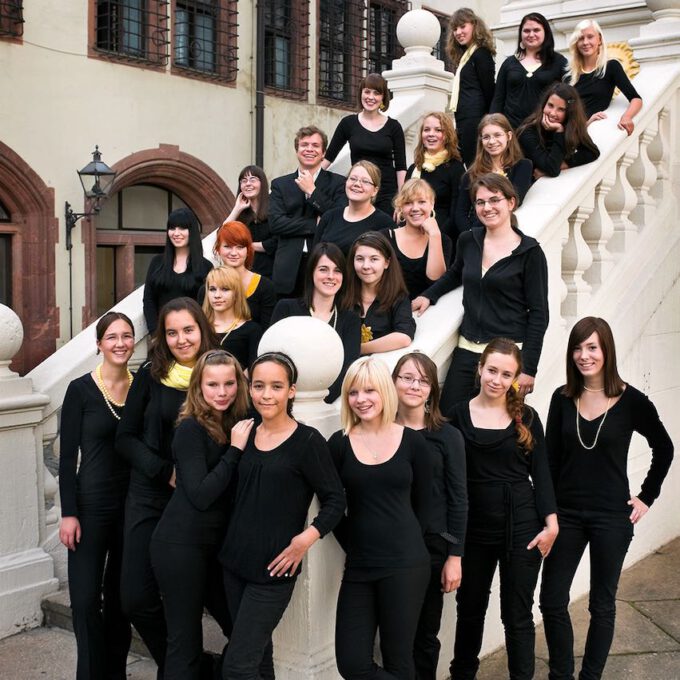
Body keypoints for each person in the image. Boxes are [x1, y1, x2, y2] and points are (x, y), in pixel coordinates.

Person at [540, 317, 674, 680]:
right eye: (578, 348)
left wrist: (646, 496)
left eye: (592, 347)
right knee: (551, 601)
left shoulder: (632, 401)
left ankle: (590, 676)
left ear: (606, 351)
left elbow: (664, 447)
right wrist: (547, 513)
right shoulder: (562, 398)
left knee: (602, 605)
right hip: (566, 514)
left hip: (611, 518)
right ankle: (561, 674)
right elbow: (550, 460)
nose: (584, 355)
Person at [219, 352, 345, 680]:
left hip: (273, 571)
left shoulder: (307, 442)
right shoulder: (242, 433)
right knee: (258, 657)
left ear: (291, 390)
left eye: (276, 386)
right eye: (259, 386)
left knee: (236, 666)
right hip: (233, 564)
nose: (266, 394)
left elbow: (335, 500)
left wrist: (305, 539)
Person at [116, 297, 217, 677]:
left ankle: (184, 666)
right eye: (172, 332)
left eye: (188, 329)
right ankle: (193, 663)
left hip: (197, 502)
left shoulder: (219, 373)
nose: (181, 339)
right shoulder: (151, 373)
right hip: (150, 493)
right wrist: (165, 472)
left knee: (190, 596)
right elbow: (125, 438)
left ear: (202, 329)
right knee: (134, 597)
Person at [449, 338, 558, 680]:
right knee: (469, 611)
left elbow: (541, 475)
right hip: (473, 530)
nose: (496, 379)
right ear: (479, 368)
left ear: (515, 378)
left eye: (506, 374)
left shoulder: (526, 416)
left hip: (522, 528)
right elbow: (449, 481)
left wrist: (551, 524)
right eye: (492, 370)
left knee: (517, 615)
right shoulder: (456, 416)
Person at [328, 356, 432, 680]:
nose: (361, 400)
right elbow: (331, 507)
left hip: (406, 565)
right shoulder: (339, 445)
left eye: (370, 390)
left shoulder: (414, 443)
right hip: (359, 567)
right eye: (354, 393)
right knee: (352, 663)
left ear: (385, 391)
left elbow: (426, 507)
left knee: (399, 661)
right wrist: (357, 543)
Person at [413, 173, 548, 415]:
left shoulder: (530, 252)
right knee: (447, 417)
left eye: (494, 200)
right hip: (468, 350)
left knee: (499, 426)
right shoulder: (469, 240)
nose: (487, 207)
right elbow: (455, 273)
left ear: (510, 202)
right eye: (480, 202)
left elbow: (539, 313)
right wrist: (428, 295)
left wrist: (529, 368)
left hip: (506, 358)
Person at [150, 350, 249, 680]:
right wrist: (234, 451)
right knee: (185, 641)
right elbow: (202, 495)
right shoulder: (190, 429)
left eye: (229, 383)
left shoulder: (235, 422)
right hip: (179, 546)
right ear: (198, 387)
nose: (222, 392)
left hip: (214, 549)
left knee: (242, 629)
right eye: (212, 385)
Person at [59, 312, 135, 680]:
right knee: (86, 601)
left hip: (131, 508)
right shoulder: (80, 390)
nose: (120, 343)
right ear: (99, 344)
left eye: (127, 335)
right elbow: (66, 456)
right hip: (89, 508)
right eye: (112, 337)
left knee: (120, 601)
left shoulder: (143, 388)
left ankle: (116, 673)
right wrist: (68, 513)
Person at [391, 352, 468, 680]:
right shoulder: (381, 432)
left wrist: (455, 556)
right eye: (406, 377)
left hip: (432, 549)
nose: (414, 386)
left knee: (424, 635)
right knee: (393, 635)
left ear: (432, 390)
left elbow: (459, 499)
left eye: (423, 381)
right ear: (392, 382)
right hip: (389, 549)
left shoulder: (447, 436)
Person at [270, 242, 361, 403]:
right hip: (286, 400)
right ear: (311, 271)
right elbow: (272, 358)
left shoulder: (350, 319)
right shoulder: (286, 308)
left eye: (337, 271)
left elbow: (348, 368)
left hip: (329, 402)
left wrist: (322, 401)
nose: (331, 276)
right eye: (323, 269)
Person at [269, 125, 347, 296]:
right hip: (287, 269)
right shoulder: (280, 184)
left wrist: (312, 192)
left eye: (315, 145)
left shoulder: (339, 183)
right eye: (304, 145)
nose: (309, 149)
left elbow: (338, 219)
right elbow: (275, 224)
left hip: (324, 265)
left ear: (323, 152)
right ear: (297, 150)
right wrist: (315, 224)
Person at [323, 74, 407, 215]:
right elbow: (328, 158)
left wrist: (402, 199)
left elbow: (400, 167)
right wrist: (311, 177)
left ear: (383, 98)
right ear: (361, 93)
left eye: (376, 93)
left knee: (384, 235)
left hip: (386, 194)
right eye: (367, 91)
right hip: (358, 190)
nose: (371, 97)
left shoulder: (394, 127)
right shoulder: (348, 124)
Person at [455, 113, 533, 234]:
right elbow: (461, 212)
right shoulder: (471, 174)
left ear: (509, 136)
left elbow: (515, 199)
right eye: (486, 137)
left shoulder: (522, 166)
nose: (492, 141)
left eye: (497, 135)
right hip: (475, 232)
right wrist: (471, 234)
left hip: (505, 232)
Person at [143, 207, 213, 334]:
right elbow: (148, 299)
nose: (176, 233)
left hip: (191, 335)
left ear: (191, 231)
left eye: (182, 228)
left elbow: (207, 306)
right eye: (172, 228)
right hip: (161, 334)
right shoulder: (157, 262)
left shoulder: (205, 266)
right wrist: (154, 332)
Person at [491, 13, 568, 129]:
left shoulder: (559, 62)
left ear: (545, 33)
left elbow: (568, 98)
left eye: (536, 30)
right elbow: (498, 99)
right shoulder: (509, 63)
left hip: (544, 131)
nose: (531, 34)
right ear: (521, 34)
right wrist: (494, 126)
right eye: (526, 31)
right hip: (511, 131)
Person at [566, 19, 643, 134]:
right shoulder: (569, 76)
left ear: (600, 40)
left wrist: (626, 117)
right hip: (564, 134)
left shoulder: (611, 67)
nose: (585, 42)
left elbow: (636, 99)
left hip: (586, 135)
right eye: (581, 38)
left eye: (590, 37)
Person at [344, 231, 415, 355]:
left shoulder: (398, 298)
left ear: (386, 263)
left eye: (374, 259)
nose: (366, 266)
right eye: (360, 259)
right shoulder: (343, 294)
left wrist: (358, 349)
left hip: (379, 369)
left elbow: (404, 337)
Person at [385, 179, 452, 299]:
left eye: (421, 202)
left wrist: (435, 235)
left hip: (428, 312)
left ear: (432, 204)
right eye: (408, 203)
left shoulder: (443, 241)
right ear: (400, 207)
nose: (415, 208)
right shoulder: (386, 237)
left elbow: (435, 282)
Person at [517, 82, 600, 180]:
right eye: (550, 105)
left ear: (570, 113)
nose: (553, 113)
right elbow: (552, 169)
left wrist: (563, 164)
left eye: (561, 109)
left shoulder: (569, 127)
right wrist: (559, 132)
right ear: (544, 104)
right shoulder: (528, 132)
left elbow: (592, 152)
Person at [446, 10, 496, 167]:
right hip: (464, 118)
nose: (458, 32)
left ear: (474, 25)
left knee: (475, 163)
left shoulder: (481, 54)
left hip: (475, 118)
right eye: (455, 29)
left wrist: (488, 121)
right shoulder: (466, 56)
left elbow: (489, 90)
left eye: (462, 26)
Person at [314, 160, 396, 255]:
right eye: (353, 179)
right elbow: (314, 256)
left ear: (375, 191)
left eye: (365, 181)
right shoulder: (329, 217)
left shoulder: (385, 224)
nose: (357, 184)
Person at [406, 112, 466, 240]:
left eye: (438, 130)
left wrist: (436, 236)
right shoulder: (413, 169)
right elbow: (404, 205)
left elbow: (456, 211)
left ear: (447, 135)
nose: (431, 134)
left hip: (442, 237)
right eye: (426, 130)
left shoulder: (456, 168)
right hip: (412, 236)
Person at [213, 220, 277, 329]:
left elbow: (267, 332)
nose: (234, 253)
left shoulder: (265, 287)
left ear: (248, 250)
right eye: (227, 246)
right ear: (218, 249)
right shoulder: (209, 286)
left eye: (240, 247)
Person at [202, 266, 262, 371]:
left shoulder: (252, 330)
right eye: (212, 289)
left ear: (236, 293)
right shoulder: (199, 327)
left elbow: (255, 370)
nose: (217, 295)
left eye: (225, 289)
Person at [225, 165, 277, 278]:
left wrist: (247, 246)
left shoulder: (274, 209)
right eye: (243, 181)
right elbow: (223, 235)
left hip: (271, 272)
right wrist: (237, 208)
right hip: (244, 273)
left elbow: (276, 242)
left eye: (253, 179)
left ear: (262, 184)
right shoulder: (240, 213)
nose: (248, 184)